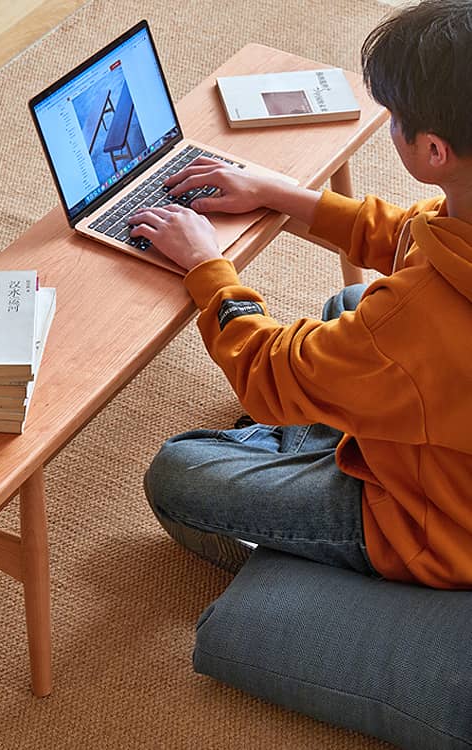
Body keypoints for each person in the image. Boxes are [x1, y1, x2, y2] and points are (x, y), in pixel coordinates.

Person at [130, 0, 472, 589]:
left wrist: (205, 264)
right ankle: (333, 410)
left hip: (440, 525)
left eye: (393, 116)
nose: (390, 126)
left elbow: (266, 374)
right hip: (447, 425)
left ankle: (317, 561)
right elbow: (414, 234)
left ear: (434, 150)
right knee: (351, 311)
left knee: (179, 475)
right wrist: (279, 191)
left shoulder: (413, 317)